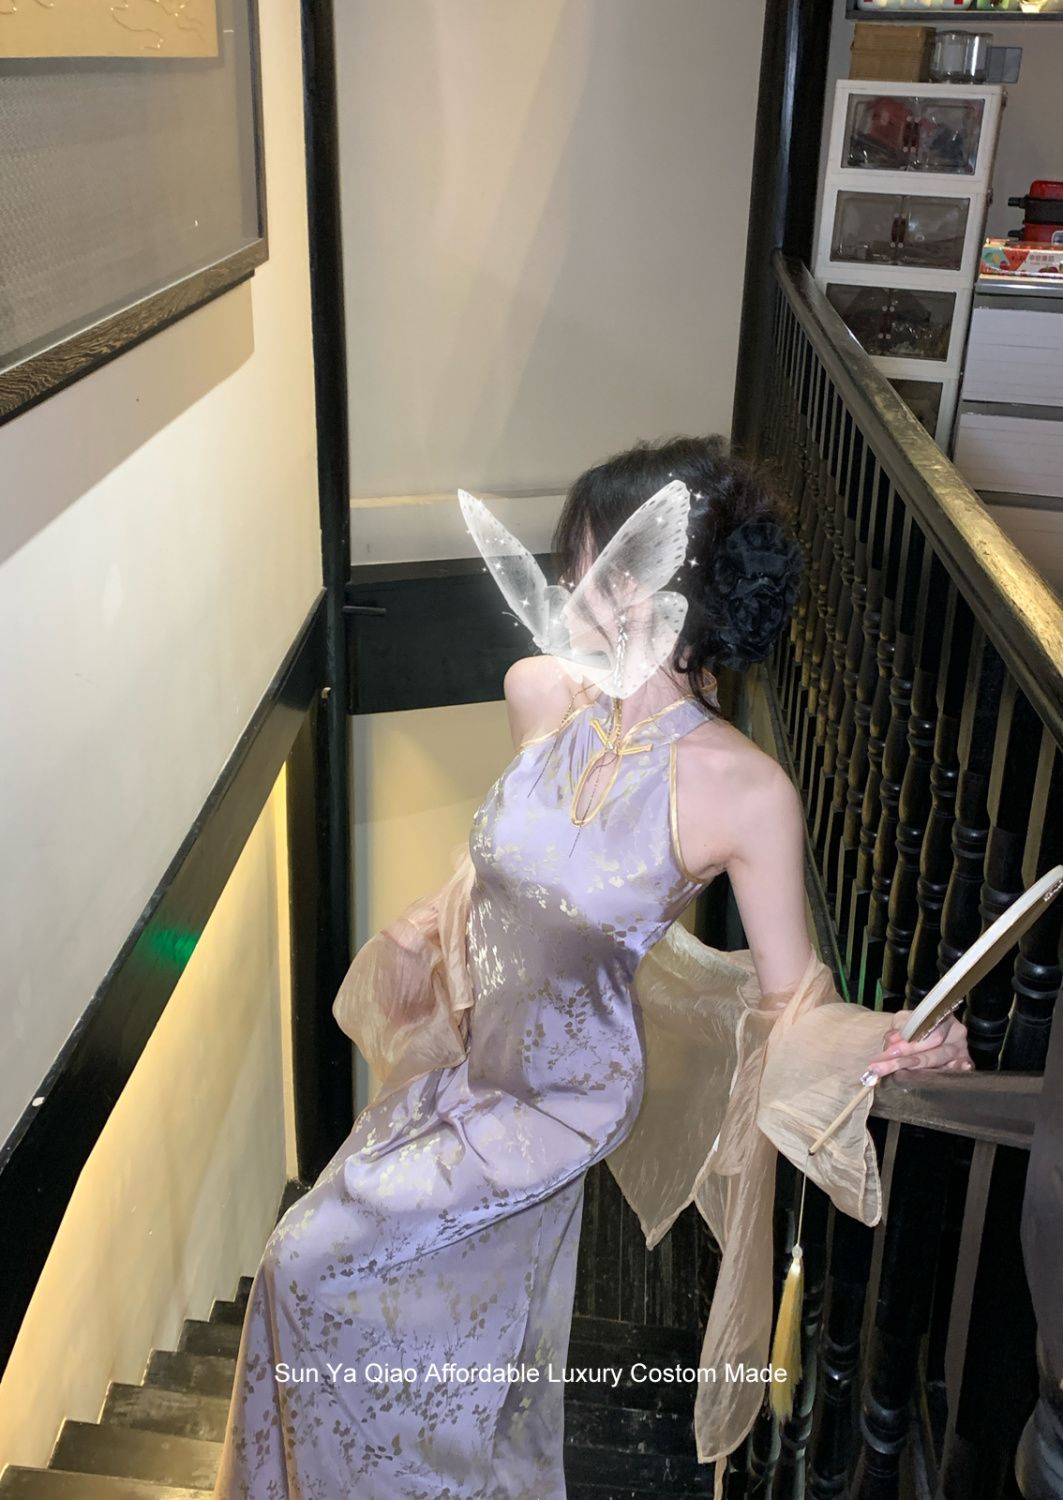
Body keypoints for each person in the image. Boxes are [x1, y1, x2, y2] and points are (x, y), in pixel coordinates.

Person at [211, 434, 971, 1499]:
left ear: (660, 585)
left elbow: (791, 1000)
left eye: (592, 565)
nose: (567, 586)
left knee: (307, 1262)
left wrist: (892, 1042)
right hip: (470, 1067)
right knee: (428, 1301)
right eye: (575, 563)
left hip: (562, 1102)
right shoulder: (540, 693)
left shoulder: (743, 790)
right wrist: (431, 931)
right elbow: (510, 864)